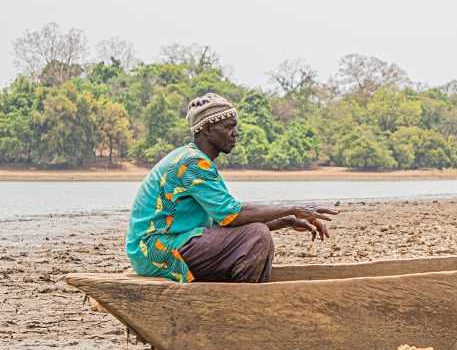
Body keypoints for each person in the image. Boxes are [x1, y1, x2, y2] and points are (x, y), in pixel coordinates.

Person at [125, 92, 337, 283]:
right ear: (207, 130)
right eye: (229, 127)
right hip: (155, 251)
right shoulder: (192, 163)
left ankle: (238, 298)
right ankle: (238, 303)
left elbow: (224, 221)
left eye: (235, 127)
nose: (235, 133)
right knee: (257, 235)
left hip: (165, 246)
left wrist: (288, 221)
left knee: (256, 233)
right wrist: (292, 209)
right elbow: (232, 215)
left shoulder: (196, 160)